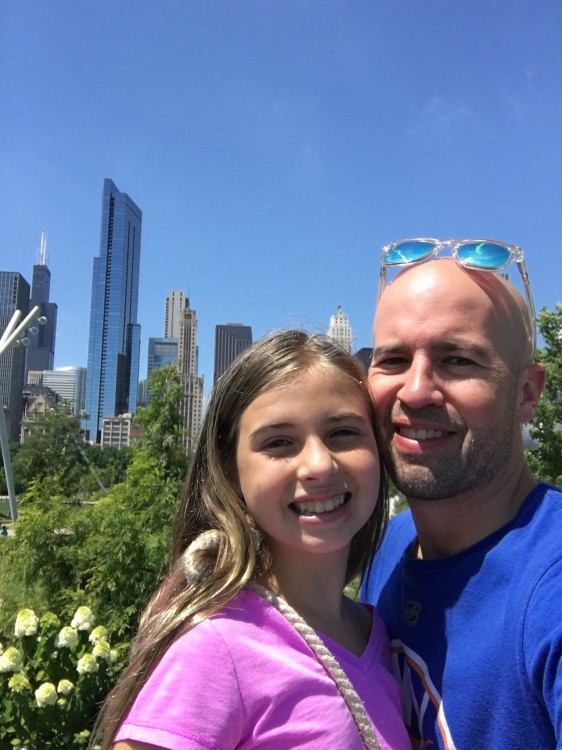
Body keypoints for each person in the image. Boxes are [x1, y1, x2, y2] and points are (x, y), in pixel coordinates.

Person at [92, 330, 411, 750]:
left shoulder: (378, 636)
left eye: (344, 433)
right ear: (229, 472)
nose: (318, 464)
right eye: (279, 442)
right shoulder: (217, 647)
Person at [361, 238, 561, 749]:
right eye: (393, 360)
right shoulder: (383, 549)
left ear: (527, 393)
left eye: (458, 360)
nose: (415, 390)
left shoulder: (550, 585)